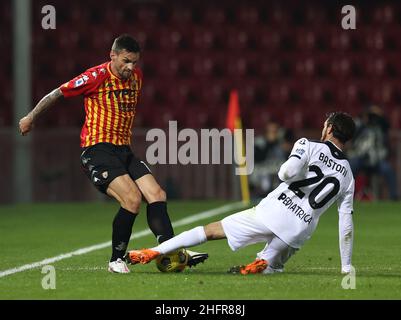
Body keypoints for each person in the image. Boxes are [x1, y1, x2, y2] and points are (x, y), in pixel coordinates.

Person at [19, 34, 208, 274]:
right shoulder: (95, 76)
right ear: (113, 55)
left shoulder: (136, 77)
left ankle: (169, 250)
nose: (130, 67)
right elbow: (57, 93)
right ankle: (116, 260)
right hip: (97, 149)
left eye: (135, 63)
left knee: (157, 194)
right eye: (126, 61)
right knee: (132, 199)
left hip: (123, 150)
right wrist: (31, 117)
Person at [125, 112, 356, 275]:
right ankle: (266, 262)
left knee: (210, 231)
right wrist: (346, 267)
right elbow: (346, 224)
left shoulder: (309, 144)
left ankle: (154, 251)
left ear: (329, 128)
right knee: (274, 266)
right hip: (299, 229)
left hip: (273, 211)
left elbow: (287, 173)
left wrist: (289, 169)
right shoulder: (348, 175)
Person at [348, 105, 398, 200]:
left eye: (373, 116)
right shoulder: (359, 124)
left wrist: (379, 114)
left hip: (377, 160)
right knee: (350, 167)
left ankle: (393, 197)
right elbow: (352, 134)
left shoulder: (380, 126)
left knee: (388, 170)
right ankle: (344, 195)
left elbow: (387, 125)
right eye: (370, 115)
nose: (371, 118)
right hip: (361, 158)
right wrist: (364, 119)